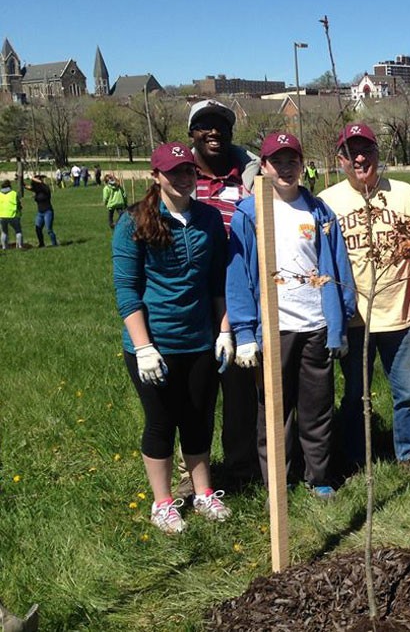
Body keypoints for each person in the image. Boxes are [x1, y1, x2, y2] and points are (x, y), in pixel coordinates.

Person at [112, 141, 234, 534]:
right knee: (161, 422)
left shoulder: (209, 220)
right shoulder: (134, 222)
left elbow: (219, 280)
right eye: (174, 172)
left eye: (189, 171)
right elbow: (127, 288)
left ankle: (203, 493)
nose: (184, 179)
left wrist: (224, 331)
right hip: (155, 343)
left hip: (200, 339)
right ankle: (163, 502)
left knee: (199, 418)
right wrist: (144, 347)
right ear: (156, 177)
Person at [226, 131, 356, 498]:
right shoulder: (249, 214)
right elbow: (238, 277)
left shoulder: (318, 211)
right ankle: (277, 483)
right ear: (263, 166)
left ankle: (319, 477)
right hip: (275, 328)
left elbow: (338, 267)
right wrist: (245, 333)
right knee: (274, 412)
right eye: (276, 161)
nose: (285, 168)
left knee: (317, 409)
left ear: (301, 165)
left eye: (292, 160)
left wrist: (340, 323)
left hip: (316, 324)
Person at [319, 123, 410, 475]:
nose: (360, 158)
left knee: (407, 393)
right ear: (340, 160)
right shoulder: (328, 201)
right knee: (353, 395)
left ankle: (408, 455)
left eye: (367, 150)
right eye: (351, 152)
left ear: (379, 154)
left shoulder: (404, 194)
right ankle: (353, 456)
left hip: (399, 313)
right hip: (354, 318)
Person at [184, 98, 261, 495]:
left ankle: (240, 465)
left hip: (238, 295)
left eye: (221, 125)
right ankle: (192, 471)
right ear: (192, 133)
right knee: (192, 390)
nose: (213, 131)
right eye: (204, 125)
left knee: (239, 390)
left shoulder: (249, 177)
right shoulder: (179, 175)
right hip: (191, 299)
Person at [24, 175, 57, 247]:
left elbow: (41, 183)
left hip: (48, 212)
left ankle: (54, 244)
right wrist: (21, 181)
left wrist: (33, 178)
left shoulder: (46, 189)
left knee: (49, 230)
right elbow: (28, 187)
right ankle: (41, 243)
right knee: (38, 229)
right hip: (40, 213)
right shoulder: (37, 190)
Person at [0, 180, 23, 250]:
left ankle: (4, 247)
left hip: (2, 215)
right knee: (18, 231)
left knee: (4, 232)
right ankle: (19, 246)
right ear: (9, 185)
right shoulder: (14, 193)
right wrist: (20, 208)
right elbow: (18, 204)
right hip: (12, 215)